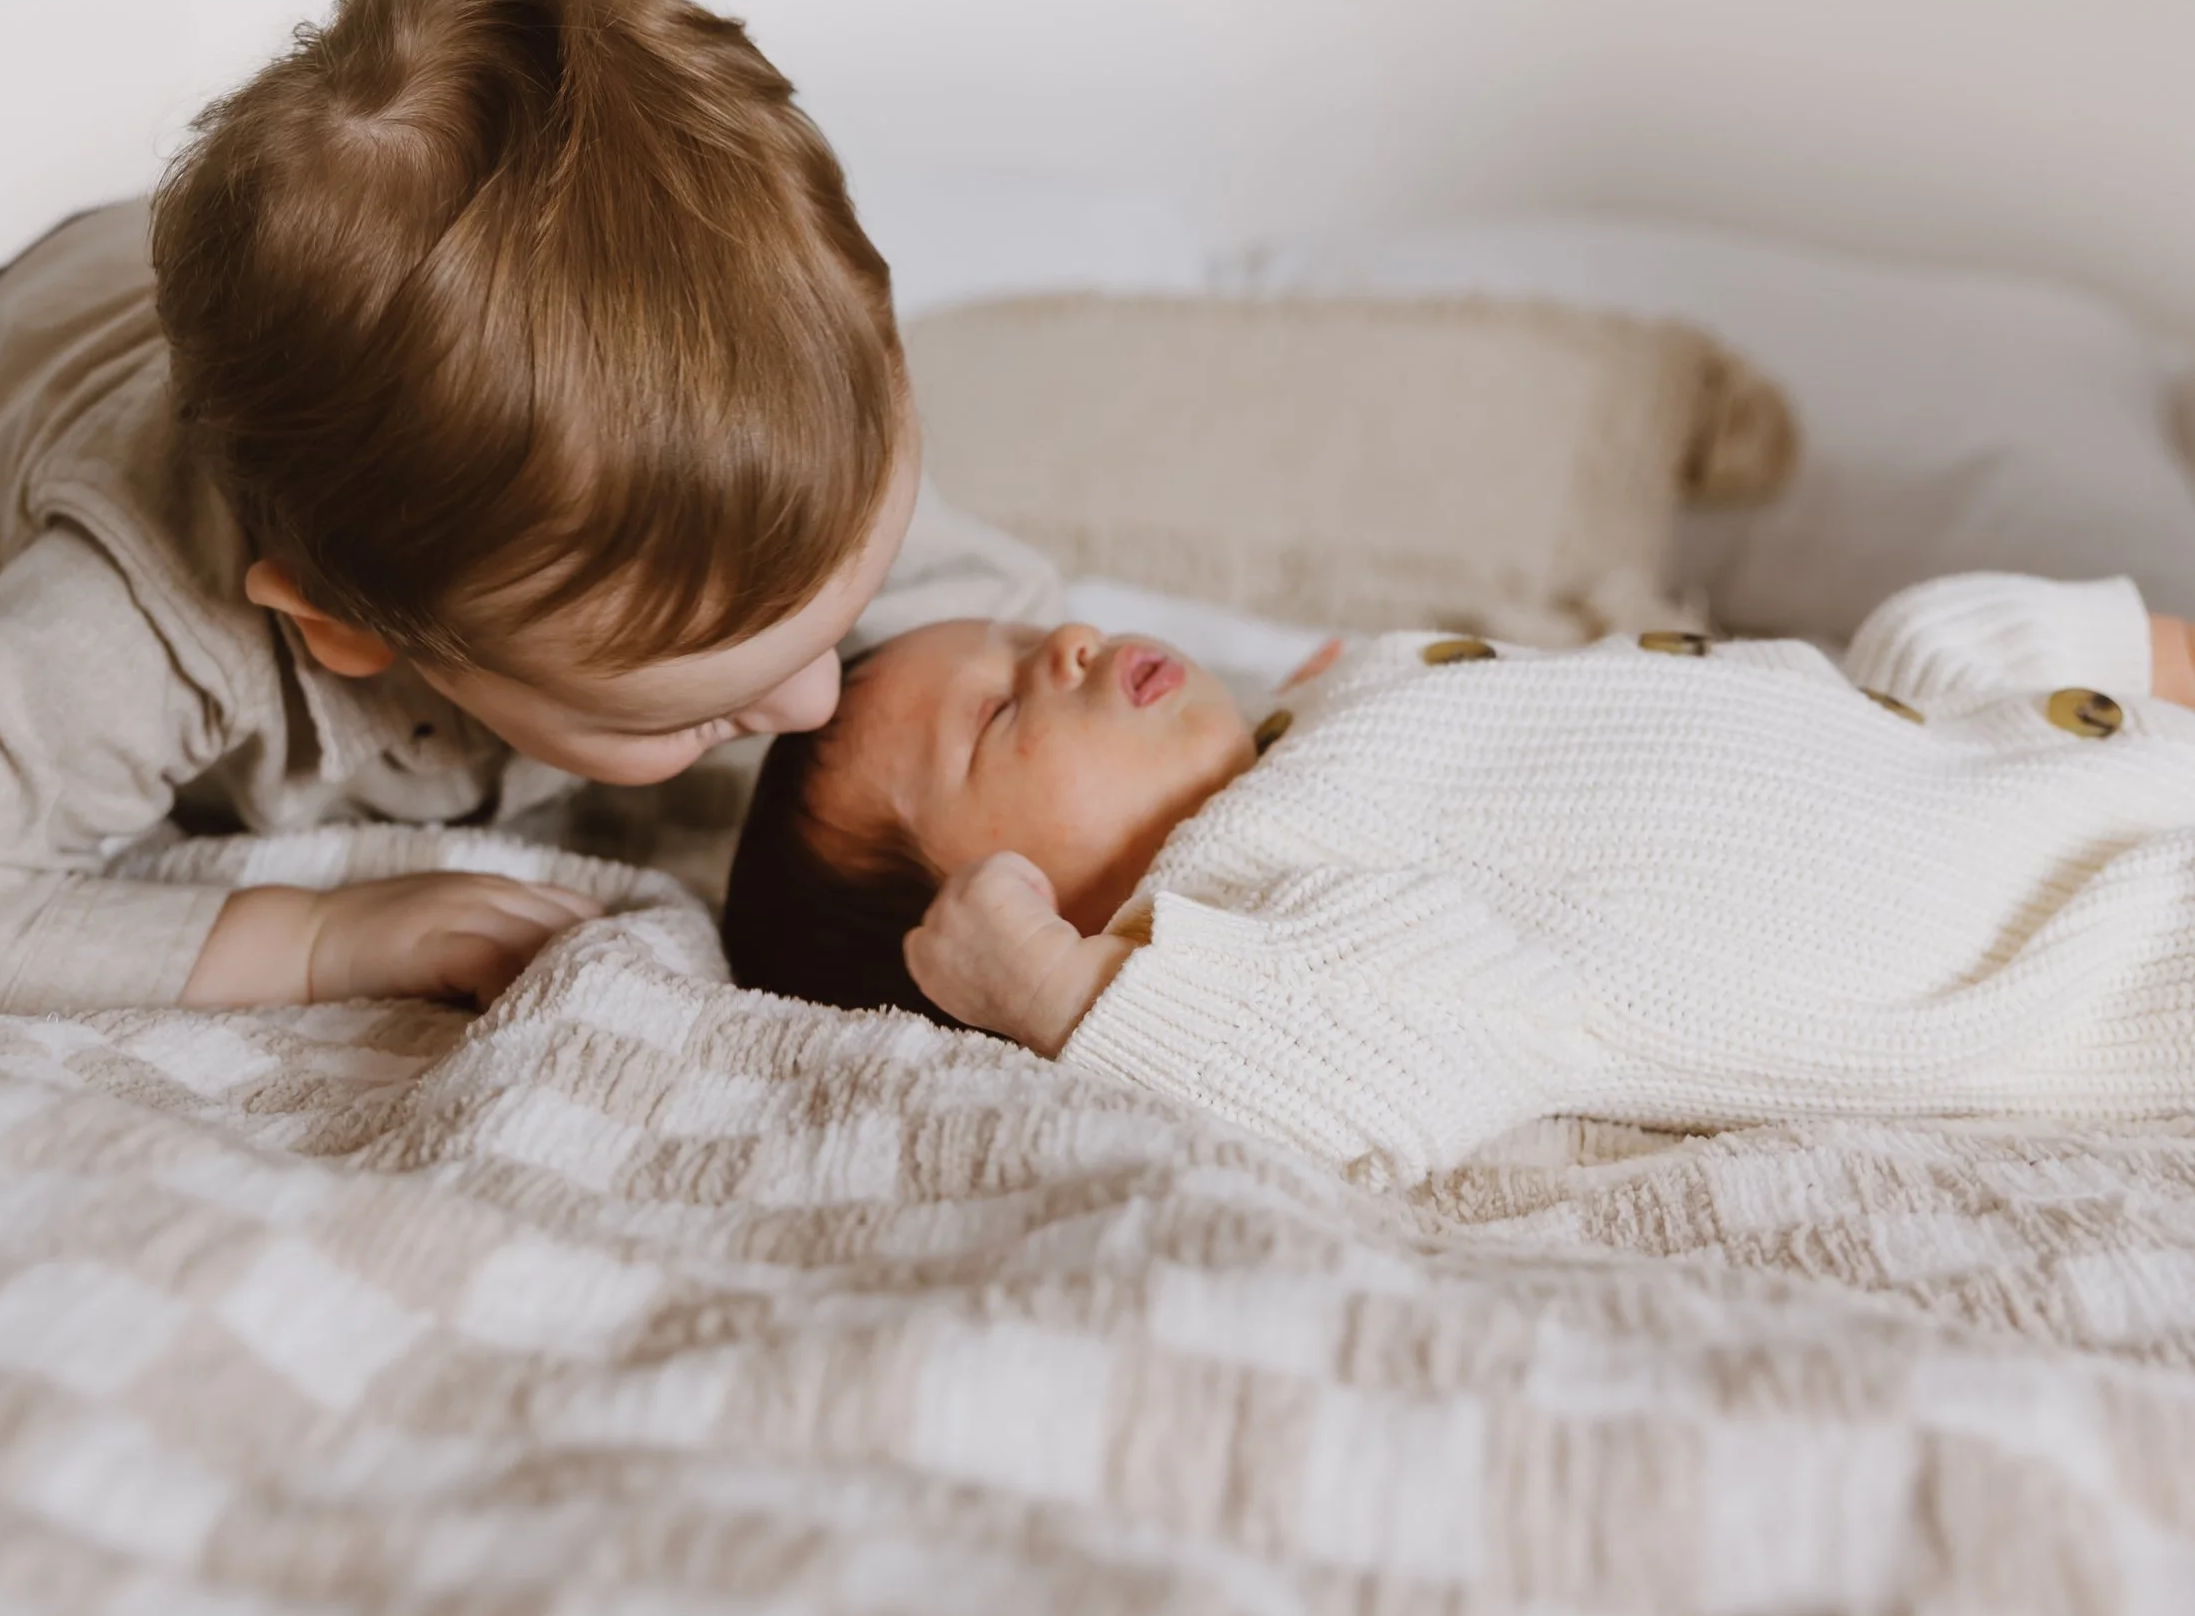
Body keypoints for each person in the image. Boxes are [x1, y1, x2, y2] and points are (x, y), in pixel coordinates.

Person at [0, 0, 1053, 1026]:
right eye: (693, 704)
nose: (820, 696)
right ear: (343, 626)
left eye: (851, 601)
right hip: (33, 326)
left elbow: (1018, 629)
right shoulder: (131, 613)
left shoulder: (777, 463)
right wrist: (309, 933)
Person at [720, 580, 2195, 1178]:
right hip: (2089, 948)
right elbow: (1376, 1055)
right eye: (996, 715)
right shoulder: (1253, 907)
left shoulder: (1332, 701)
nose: (1067, 647)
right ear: (996, 910)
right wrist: (1065, 994)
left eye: (1021, 629)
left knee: (1946, 636)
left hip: (1960, 745)